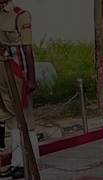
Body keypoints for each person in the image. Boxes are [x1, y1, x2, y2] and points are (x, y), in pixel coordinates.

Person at [0, 0, 39, 178]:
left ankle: (30, 163)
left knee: (25, 120)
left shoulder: (20, 15)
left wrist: (31, 78)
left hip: (17, 75)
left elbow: (27, 49)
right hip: (2, 77)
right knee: (11, 122)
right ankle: (17, 163)